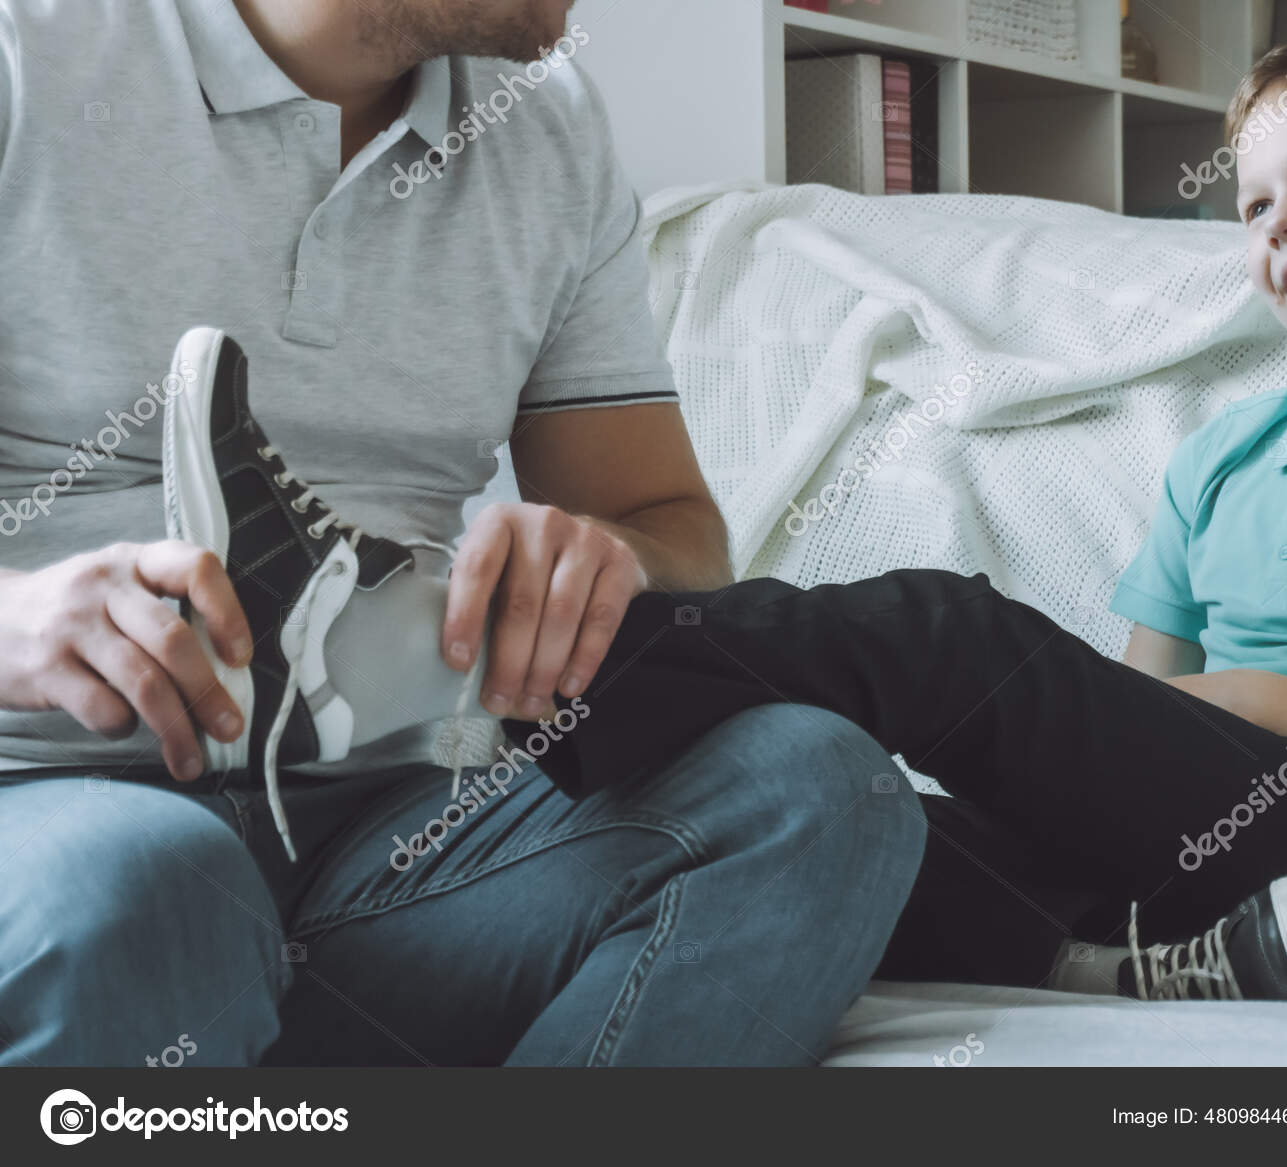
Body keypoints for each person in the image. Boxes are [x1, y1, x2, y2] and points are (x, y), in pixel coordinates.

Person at [490, 25, 1287, 1004]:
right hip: (1202, 871)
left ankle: (550, 682)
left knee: (950, 632)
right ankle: (1108, 962)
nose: (1280, 221)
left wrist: (1266, 699)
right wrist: (1197, 723)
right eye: (1254, 201)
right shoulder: (1224, 458)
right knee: (832, 808)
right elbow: (1142, 726)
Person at [0, 0, 926, 1067]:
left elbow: (670, 530)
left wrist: (604, 559)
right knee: (146, 887)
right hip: (54, 814)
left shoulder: (544, 127)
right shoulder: (36, 52)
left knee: (816, 786)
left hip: (390, 833)